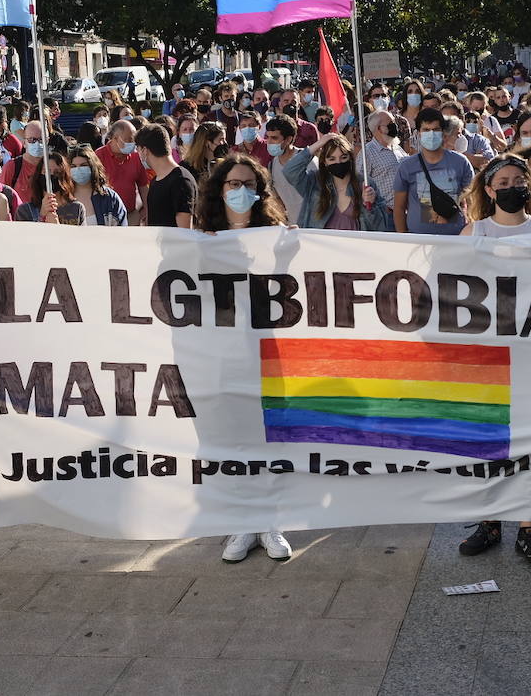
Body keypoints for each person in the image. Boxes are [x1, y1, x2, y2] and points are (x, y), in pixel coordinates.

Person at [187, 154, 292, 562]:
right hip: (220, 354)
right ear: (220, 189)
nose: (240, 190)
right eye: (233, 183)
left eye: (248, 183)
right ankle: (241, 522)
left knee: (264, 435)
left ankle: (270, 521)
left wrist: (292, 248)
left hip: (267, 352)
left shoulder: (274, 234)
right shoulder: (201, 238)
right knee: (230, 436)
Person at [455, 154, 531, 567]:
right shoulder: (473, 232)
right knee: (488, 439)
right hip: (487, 354)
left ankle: (528, 528)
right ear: (490, 189)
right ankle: (490, 521)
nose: (512, 186)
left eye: (520, 179)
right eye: (504, 180)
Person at [282, 131, 388, 230]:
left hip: (355, 247)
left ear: (350, 158)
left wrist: (370, 205)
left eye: (343, 157)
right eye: (332, 159)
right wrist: (316, 146)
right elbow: (289, 171)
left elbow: (380, 227)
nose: (338, 162)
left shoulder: (364, 184)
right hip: (321, 248)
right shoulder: (314, 182)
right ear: (324, 161)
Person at [394, 108, 475, 235]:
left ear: (443, 133)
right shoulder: (406, 166)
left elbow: (472, 202)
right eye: (426, 130)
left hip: (456, 238)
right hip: (419, 239)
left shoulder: (461, 162)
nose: (431, 134)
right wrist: (404, 238)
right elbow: (399, 208)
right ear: (419, 133)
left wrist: (469, 234)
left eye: (436, 130)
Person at [138, 122, 196, 228]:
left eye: (138, 150)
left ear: (144, 151)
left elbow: (185, 231)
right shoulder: (155, 181)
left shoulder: (181, 181)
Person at [96, 120, 153, 224]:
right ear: (115, 138)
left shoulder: (136, 157)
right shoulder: (99, 156)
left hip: (131, 215)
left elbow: (143, 187)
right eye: (129, 140)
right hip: (106, 218)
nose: (132, 143)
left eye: (134, 140)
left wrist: (148, 211)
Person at [64, 146, 128, 226]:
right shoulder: (64, 198)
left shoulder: (109, 198)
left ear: (93, 167)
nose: (78, 169)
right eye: (73, 166)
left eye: (83, 165)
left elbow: (121, 228)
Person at [15, 152, 85, 225]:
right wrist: (41, 217)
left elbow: (81, 235)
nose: (51, 176)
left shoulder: (77, 208)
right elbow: (24, 235)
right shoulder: (24, 211)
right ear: (38, 175)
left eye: (57, 172)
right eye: (46, 172)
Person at [361, 109, 407, 204]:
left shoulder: (397, 147)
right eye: (390, 123)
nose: (395, 126)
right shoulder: (367, 152)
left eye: (394, 122)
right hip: (386, 213)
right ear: (379, 129)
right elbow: (359, 181)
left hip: (405, 209)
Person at [0, 121, 47, 201]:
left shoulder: (54, 166)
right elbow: (1, 199)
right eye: (32, 140)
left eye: (42, 139)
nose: (37, 144)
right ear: (24, 142)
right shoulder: (12, 167)